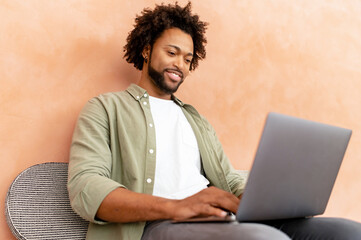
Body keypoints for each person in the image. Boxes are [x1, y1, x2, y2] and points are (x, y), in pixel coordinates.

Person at [68, 2, 361, 240]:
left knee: (348, 232)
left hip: (218, 221)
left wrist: (267, 199)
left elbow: (228, 177)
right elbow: (86, 188)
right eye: (171, 53)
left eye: (187, 59)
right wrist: (178, 207)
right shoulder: (105, 108)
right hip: (154, 226)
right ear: (146, 49)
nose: (179, 65)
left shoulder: (194, 119)